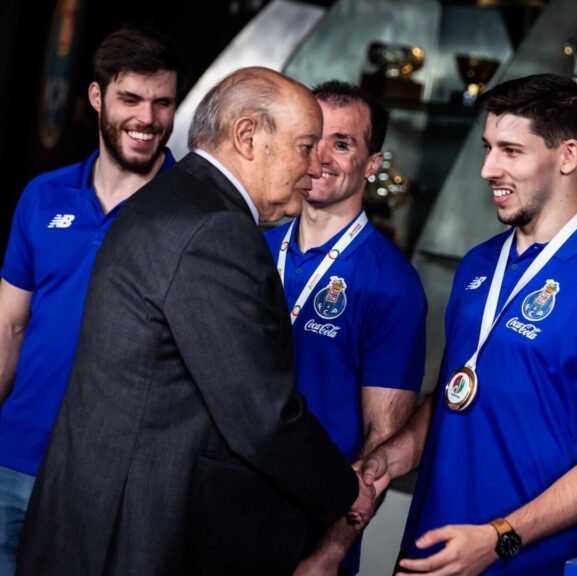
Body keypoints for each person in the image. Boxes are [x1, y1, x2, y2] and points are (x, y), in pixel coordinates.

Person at [17, 67, 373, 576]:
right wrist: (344, 491)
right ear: (248, 136)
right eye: (306, 144)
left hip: (97, 515)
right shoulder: (217, 229)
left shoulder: (173, 196)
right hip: (134, 531)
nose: (316, 165)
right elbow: (260, 417)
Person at [360, 73, 577, 575]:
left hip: (519, 562)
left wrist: (499, 538)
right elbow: (461, 393)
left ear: (567, 156)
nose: (487, 168)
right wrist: (389, 460)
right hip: (427, 552)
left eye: (510, 151)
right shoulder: (479, 263)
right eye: (487, 147)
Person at [0, 27, 184, 575]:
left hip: (111, 478)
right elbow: (8, 327)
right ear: (97, 97)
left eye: (163, 102)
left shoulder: (195, 215)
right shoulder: (43, 195)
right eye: (130, 98)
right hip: (15, 457)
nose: (147, 119)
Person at [265, 80, 426, 575]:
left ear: (373, 164)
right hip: (218, 507)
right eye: (313, 138)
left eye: (343, 143)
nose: (320, 158)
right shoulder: (253, 245)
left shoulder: (391, 285)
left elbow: (382, 442)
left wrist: (330, 552)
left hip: (306, 529)